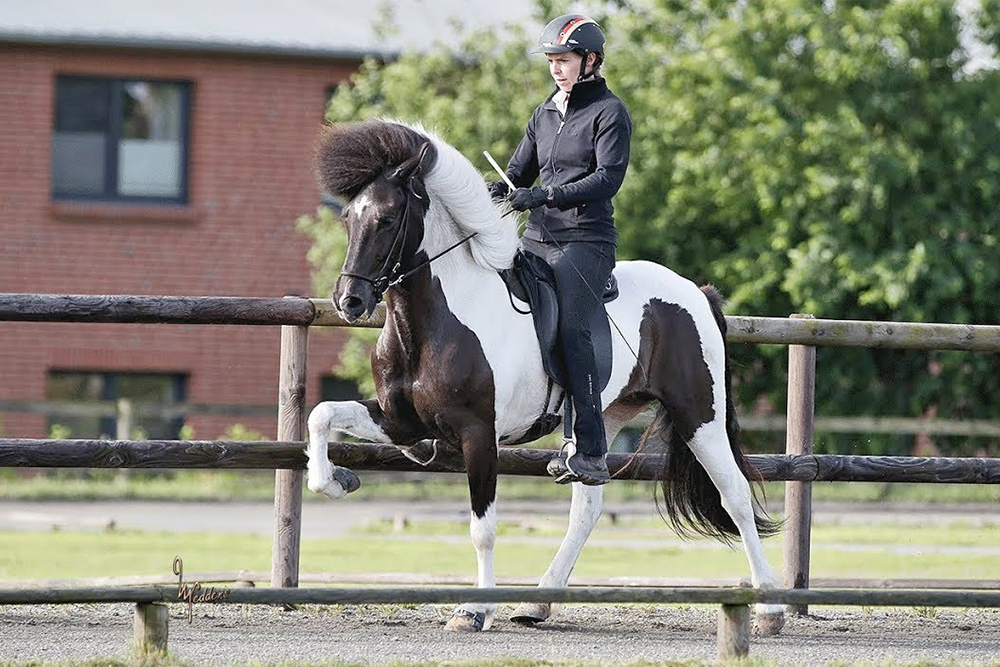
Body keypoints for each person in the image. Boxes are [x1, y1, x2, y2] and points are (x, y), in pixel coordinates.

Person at [490, 14, 632, 486]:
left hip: (585, 240)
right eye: (552, 60)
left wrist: (546, 196)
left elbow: (607, 179)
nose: (556, 68)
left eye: (564, 60)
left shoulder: (610, 113)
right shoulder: (544, 113)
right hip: (536, 239)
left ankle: (590, 448)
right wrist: (491, 191)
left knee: (573, 326)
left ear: (589, 61)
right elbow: (518, 172)